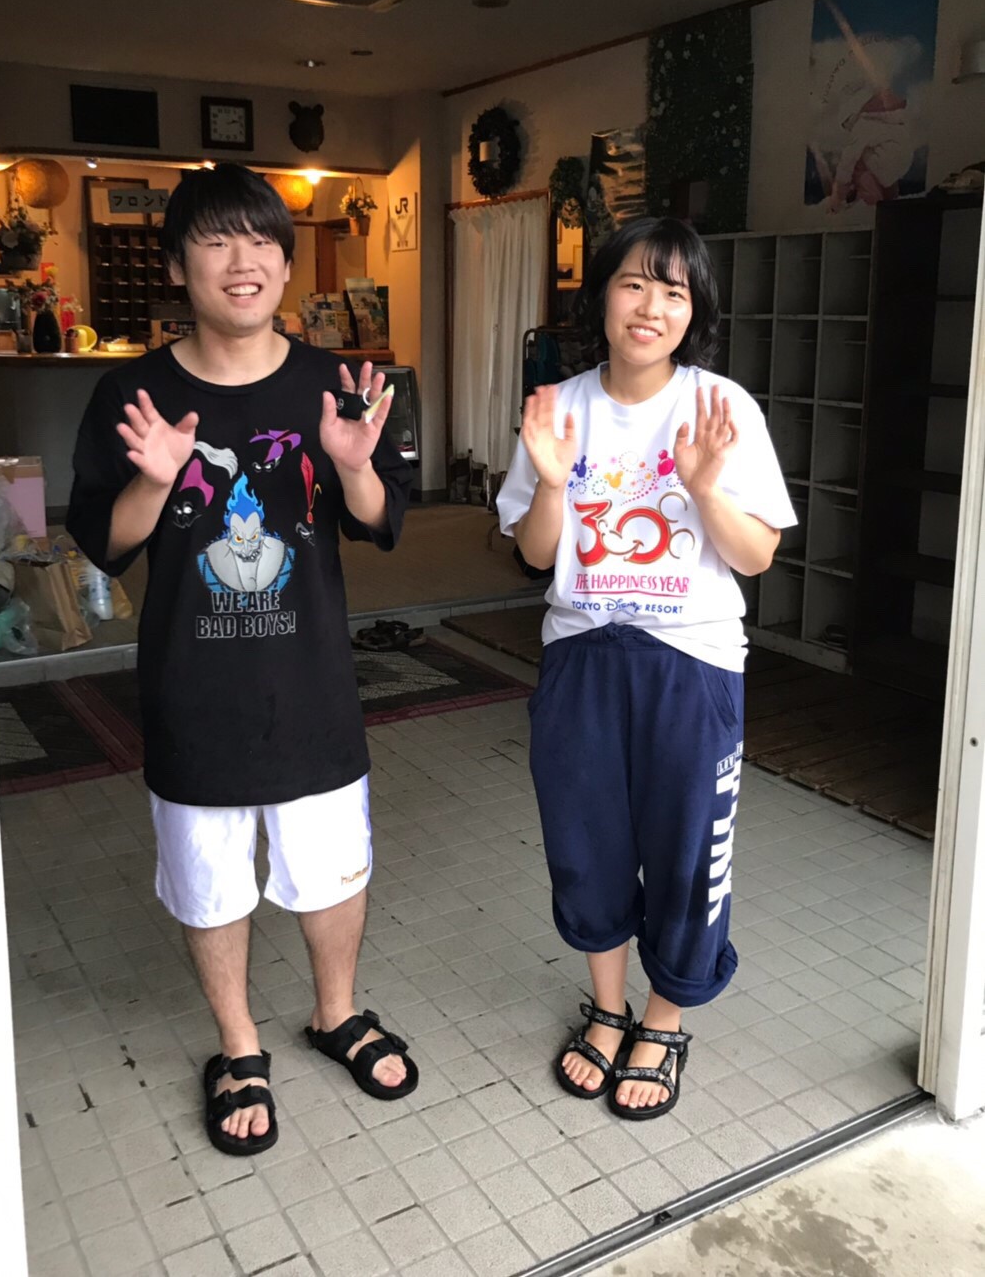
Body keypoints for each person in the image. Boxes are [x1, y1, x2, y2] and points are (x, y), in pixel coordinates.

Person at [67, 164, 418, 1158]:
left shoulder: (335, 383)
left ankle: (336, 1012)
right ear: (177, 265)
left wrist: (352, 465)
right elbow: (104, 540)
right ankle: (237, 1043)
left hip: (312, 685)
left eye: (261, 239)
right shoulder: (131, 392)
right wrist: (154, 480)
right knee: (209, 879)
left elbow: (384, 519)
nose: (243, 260)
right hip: (193, 689)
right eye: (216, 240)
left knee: (332, 868)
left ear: (286, 262)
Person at [496, 217, 796, 1121]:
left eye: (674, 291)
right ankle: (608, 1006)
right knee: (585, 841)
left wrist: (703, 487)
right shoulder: (560, 406)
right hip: (582, 654)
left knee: (686, 848)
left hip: (691, 661)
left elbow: (757, 557)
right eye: (634, 283)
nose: (651, 306)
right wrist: (553, 482)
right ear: (602, 295)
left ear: (694, 310)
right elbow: (535, 554)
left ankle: (663, 1020)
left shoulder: (723, 407)